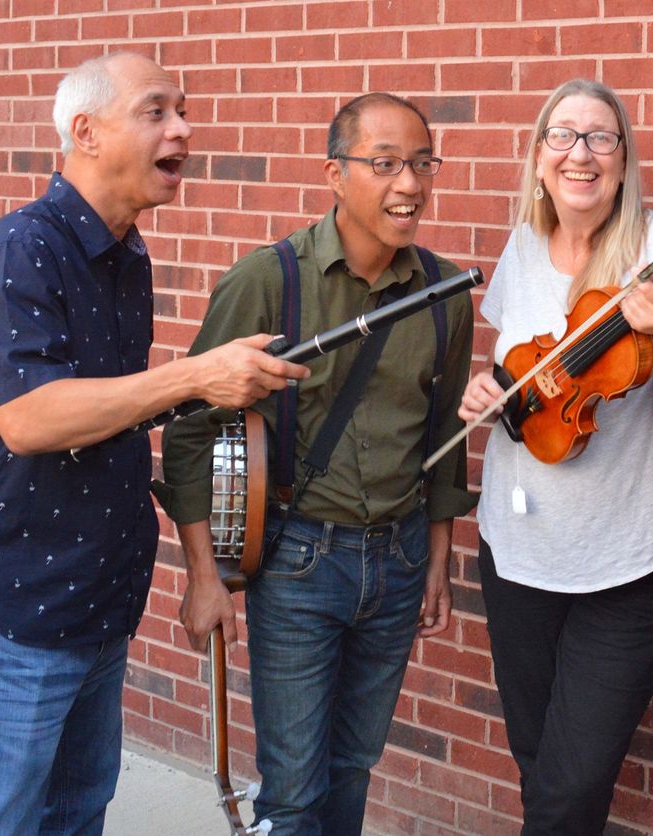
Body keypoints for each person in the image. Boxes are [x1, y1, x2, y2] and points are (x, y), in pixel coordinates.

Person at [0, 52, 307, 836]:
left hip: (95, 606)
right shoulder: (13, 252)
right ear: (86, 132)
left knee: (75, 819)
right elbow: (30, 419)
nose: (185, 130)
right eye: (157, 110)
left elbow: (113, 418)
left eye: (184, 109)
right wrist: (194, 377)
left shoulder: (126, 255)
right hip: (7, 615)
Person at [157, 92, 476, 834]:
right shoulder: (268, 281)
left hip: (396, 564)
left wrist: (437, 559)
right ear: (335, 174)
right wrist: (205, 576)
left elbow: (445, 440)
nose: (411, 184)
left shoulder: (444, 292)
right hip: (298, 562)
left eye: (422, 164)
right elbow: (188, 433)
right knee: (294, 793)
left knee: (351, 767)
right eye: (386, 164)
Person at [459, 79, 653, 833]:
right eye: (563, 136)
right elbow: (519, 370)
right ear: (539, 159)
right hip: (516, 552)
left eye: (601, 137)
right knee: (538, 763)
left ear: (623, 157)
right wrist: (490, 393)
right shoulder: (521, 244)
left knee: (570, 790)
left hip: (626, 561)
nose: (581, 153)